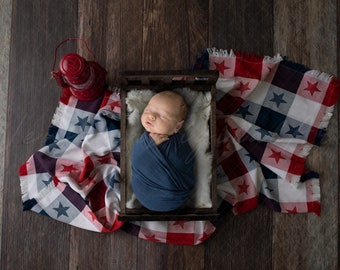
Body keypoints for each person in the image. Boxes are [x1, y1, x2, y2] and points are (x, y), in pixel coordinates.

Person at [131, 90, 195, 212]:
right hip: (145, 190)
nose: (151, 116)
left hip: (175, 194)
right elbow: (136, 159)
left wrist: (148, 147)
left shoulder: (180, 144)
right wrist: (146, 146)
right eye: (148, 110)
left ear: (177, 126)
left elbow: (186, 163)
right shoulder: (143, 141)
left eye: (162, 116)